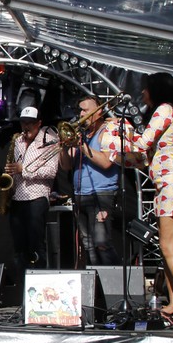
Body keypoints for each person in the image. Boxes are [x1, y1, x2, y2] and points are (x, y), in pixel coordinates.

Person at [118, 72, 173, 320]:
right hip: (170, 181)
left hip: (172, 182)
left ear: (156, 90)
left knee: (169, 248)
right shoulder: (172, 111)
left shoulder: (164, 109)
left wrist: (120, 134)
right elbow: (145, 155)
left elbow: (142, 144)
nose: (142, 93)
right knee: (168, 249)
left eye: (145, 89)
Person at [60, 95, 129, 266]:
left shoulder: (107, 131)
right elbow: (66, 165)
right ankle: (97, 282)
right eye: (80, 110)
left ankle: (113, 281)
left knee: (101, 242)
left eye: (86, 110)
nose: (81, 114)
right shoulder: (82, 133)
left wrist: (81, 145)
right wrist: (64, 146)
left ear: (98, 112)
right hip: (80, 195)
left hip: (102, 193)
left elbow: (106, 162)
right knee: (88, 245)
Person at [4, 105, 61, 274]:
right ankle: (21, 281)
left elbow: (51, 171)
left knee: (36, 244)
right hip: (17, 197)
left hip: (37, 197)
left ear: (39, 123)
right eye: (23, 123)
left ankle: (39, 278)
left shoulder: (49, 140)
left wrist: (24, 170)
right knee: (19, 245)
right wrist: (9, 177)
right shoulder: (18, 140)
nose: (26, 126)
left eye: (30, 123)